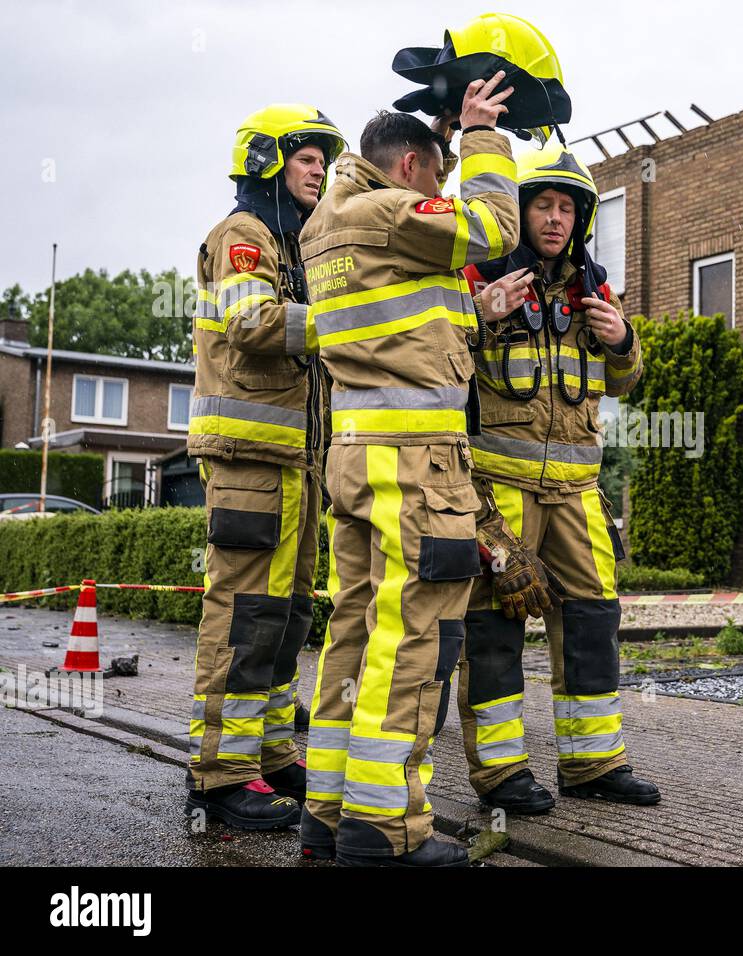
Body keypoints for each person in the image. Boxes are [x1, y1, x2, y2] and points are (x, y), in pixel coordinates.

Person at [298, 75, 520, 866]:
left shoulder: (333, 222)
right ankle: (385, 830)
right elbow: (495, 224)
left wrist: (478, 310)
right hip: (416, 466)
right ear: (406, 170)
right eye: (437, 171)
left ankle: (327, 811)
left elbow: (406, 326)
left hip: (357, 459)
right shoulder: (392, 210)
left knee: (354, 631)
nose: (443, 185)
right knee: (415, 636)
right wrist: (484, 134)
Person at [458, 139, 659, 814]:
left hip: (577, 496)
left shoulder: (592, 292)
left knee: (595, 622)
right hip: (501, 495)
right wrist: (478, 317)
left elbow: (627, 381)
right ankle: (501, 774)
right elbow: (438, 368)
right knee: (494, 631)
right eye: (542, 204)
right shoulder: (478, 283)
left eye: (567, 208)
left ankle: (593, 764)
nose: (554, 218)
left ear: (582, 218)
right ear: (520, 212)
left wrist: (624, 338)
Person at [185, 104, 345, 830]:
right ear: (266, 161)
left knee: (287, 616)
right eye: (307, 158)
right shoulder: (244, 236)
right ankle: (221, 775)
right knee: (243, 616)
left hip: (294, 464)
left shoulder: (293, 245)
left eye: (324, 160)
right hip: (250, 460)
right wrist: (345, 322)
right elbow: (252, 326)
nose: (321, 171)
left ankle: (273, 753)